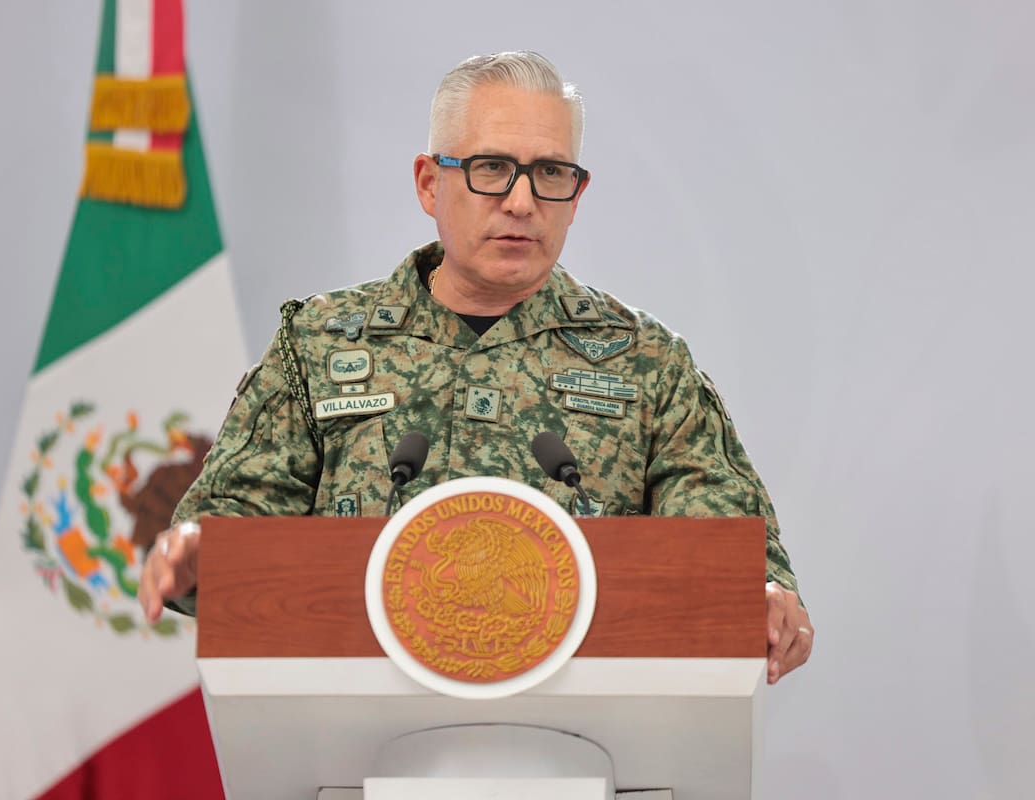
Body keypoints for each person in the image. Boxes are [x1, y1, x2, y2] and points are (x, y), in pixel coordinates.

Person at [139, 51, 813, 684]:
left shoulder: (647, 363)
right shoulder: (318, 345)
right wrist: (201, 553)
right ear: (431, 183)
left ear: (576, 196)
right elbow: (230, 536)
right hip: (358, 745)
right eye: (492, 167)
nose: (522, 202)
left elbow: (729, 554)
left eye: (551, 173)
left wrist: (760, 595)